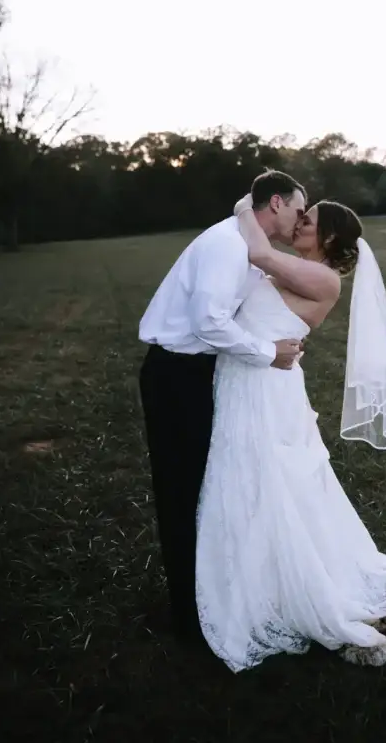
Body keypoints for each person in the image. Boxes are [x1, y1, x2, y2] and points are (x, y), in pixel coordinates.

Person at [196, 195, 386, 671]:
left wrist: (243, 207)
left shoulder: (324, 277)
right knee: (259, 479)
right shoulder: (299, 268)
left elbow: (256, 253)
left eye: (308, 220)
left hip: (264, 388)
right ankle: (265, 568)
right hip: (251, 376)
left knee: (273, 480)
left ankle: (308, 589)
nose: (298, 223)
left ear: (330, 237)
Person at [138, 170, 307, 640]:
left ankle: (214, 593)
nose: (299, 219)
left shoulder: (246, 242)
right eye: (297, 207)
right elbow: (209, 321)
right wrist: (268, 352)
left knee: (212, 487)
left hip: (199, 373)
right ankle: (191, 618)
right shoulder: (226, 246)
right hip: (176, 375)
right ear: (276, 202)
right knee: (183, 492)